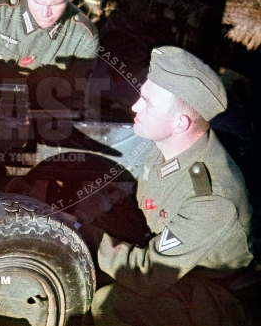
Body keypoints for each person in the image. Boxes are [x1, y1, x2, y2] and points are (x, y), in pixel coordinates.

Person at [90, 46, 254, 325]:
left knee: (110, 303)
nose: (134, 106)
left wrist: (87, 236)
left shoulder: (212, 199)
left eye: (147, 102)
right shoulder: (165, 148)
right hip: (176, 263)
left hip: (215, 292)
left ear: (180, 123)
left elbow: (148, 274)